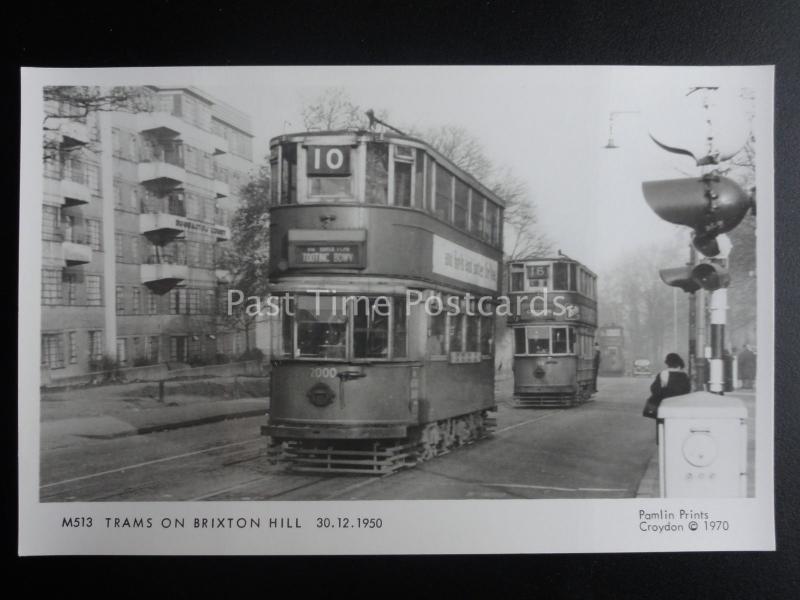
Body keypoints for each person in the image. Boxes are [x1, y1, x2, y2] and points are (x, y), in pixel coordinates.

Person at [643, 353, 691, 436]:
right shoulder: (684, 376)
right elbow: (687, 391)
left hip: (664, 406)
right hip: (679, 408)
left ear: (668, 363)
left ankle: (661, 443)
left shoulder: (662, 374)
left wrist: (663, 387)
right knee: (677, 430)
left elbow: (654, 390)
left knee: (662, 428)